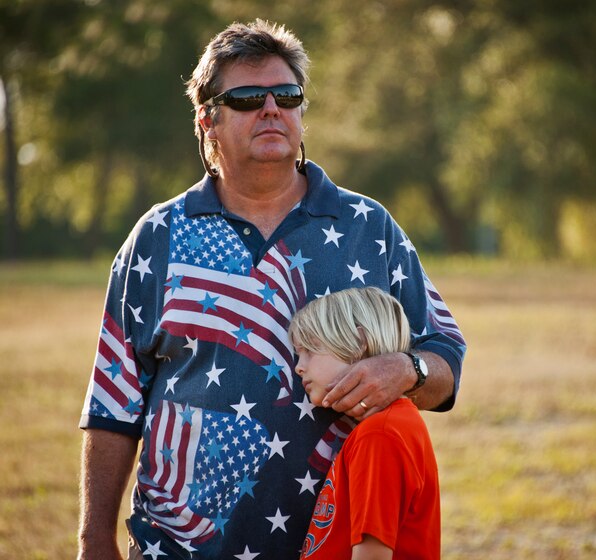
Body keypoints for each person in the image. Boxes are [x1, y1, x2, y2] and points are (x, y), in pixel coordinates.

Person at [77, 18, 466, 560]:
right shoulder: (157, 238)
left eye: (286, 94)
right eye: (245, 97)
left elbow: (446, 355)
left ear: (303, 113)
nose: (270, 108)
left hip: (334, 545)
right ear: (207, 118)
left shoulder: (366, 227)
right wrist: (94, 538)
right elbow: (113, 403)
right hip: (176, 547)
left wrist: (407, 369)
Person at [288, 287, 440, 560]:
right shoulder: (391, 425)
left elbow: (372, 555)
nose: (299, 366)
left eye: (310, 350)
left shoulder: (379, 435)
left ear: (359, 342)